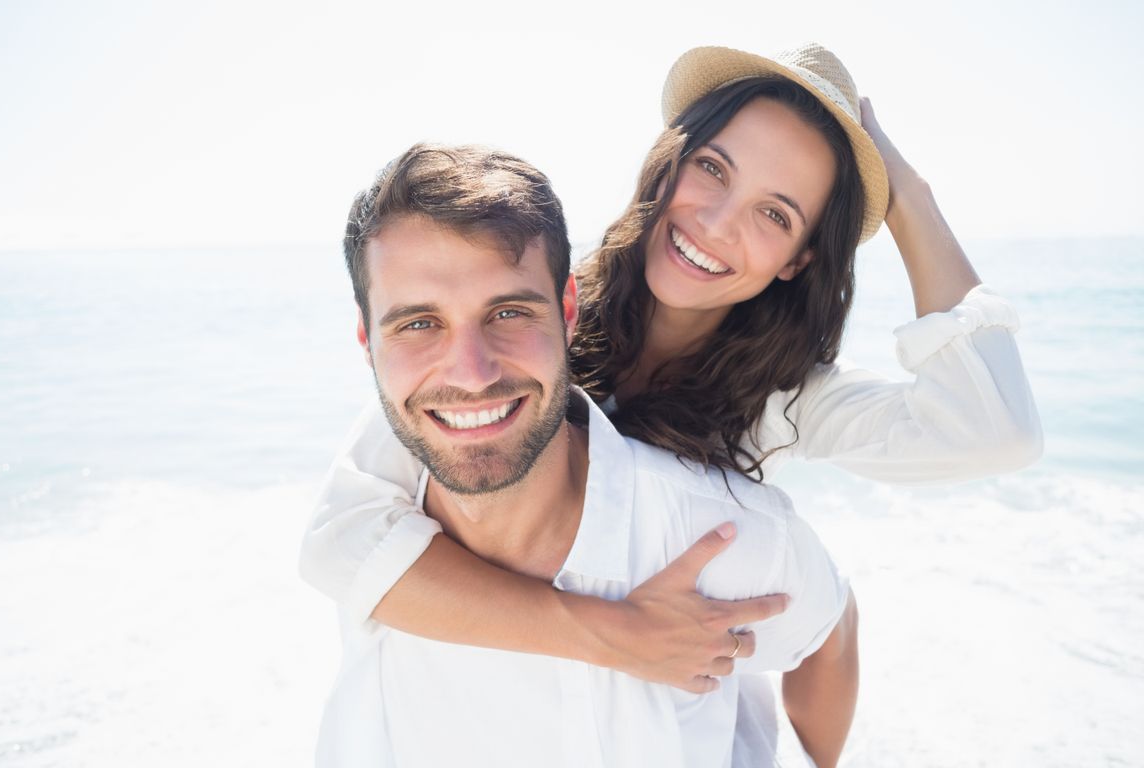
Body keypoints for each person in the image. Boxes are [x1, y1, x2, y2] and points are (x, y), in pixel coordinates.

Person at [302, 41, 1039, 695]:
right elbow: (341, 541)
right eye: (712, 169)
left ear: (800, 260)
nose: (716, 223)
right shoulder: (526, 319)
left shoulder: (785, 403)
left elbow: (994, 432)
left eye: (775, 215)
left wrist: (911, 202)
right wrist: (611, 633)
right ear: (670, 160)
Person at [316, 142, 856, 768]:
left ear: (568, 311)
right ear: (367, 340)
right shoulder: (373, 522)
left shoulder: (717, 535)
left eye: (509, 312)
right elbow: (331, 548)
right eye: (418, 324)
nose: (470, 373)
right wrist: (617, 634)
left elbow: (830, 631)